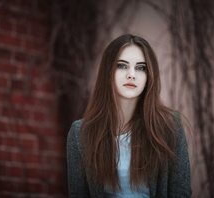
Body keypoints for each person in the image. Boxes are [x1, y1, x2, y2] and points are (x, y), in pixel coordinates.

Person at [67, 34, 191, 197]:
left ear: (149, 76)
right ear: (108, 71)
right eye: (122, 66)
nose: (132, 74)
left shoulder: (170, 126)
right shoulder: (80, 133)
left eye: (141, 68)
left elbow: (180, 192)